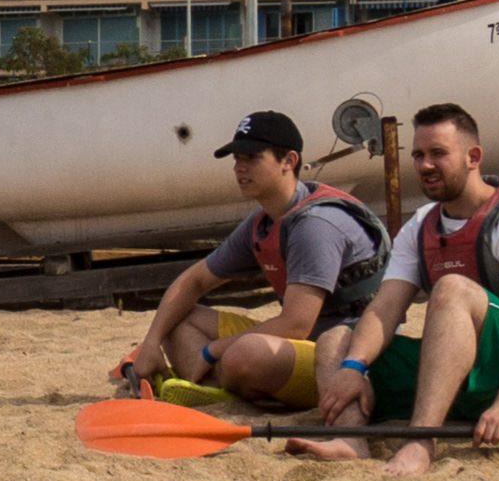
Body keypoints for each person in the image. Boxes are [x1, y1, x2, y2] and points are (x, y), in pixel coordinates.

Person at [296, 102, 499, 473]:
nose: (425, 165)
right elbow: (385, 309)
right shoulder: (421, 226)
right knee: (336, 341)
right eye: (419, 155)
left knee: (452, 289)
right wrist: (354, 367)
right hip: (463, 378)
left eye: (438, 154)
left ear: (473, 157)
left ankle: (420, 441)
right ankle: (351, 439)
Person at [118, 111, 388, 410]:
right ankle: (218, 386)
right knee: (176, 318)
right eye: (236, 158)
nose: (239, 167)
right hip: (301, 346)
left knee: (245, 353)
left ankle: (217, 379)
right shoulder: (264, 221)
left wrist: (212, 351)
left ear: (289, 161)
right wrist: (151, 342)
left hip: (344, 355)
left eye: (252, 158)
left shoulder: (315, 225)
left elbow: (296, 325)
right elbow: (193, 281)